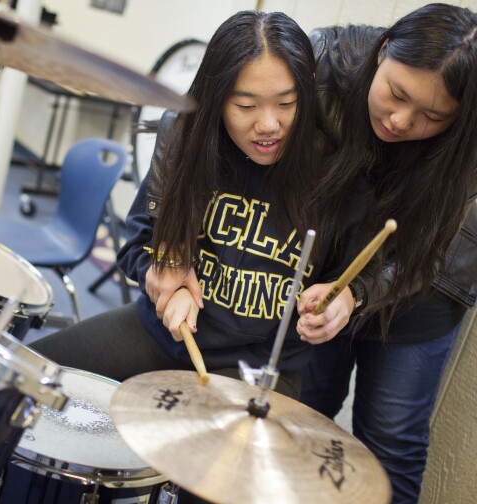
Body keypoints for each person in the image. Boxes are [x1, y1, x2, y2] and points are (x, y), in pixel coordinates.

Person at [31, 10, 356, 402]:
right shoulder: (186, 143)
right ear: (216, 101)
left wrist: (343, 299)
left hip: (250, 367)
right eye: (246, 106)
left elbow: (351, 278)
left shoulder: (332, 172)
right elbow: (138, 244)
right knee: (26, 376)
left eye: (286, 103)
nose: (269, 124)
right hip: (158, 334)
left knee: (192, 457)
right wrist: (166, 271)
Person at [295, 4, 477, 504]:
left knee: (391, 446)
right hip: (328, 268)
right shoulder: (325, 60)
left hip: (423, 285)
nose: (400, 120)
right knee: (302, 413)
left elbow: (439, 253)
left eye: (433, 117)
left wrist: (357, 294)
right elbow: (194, 122)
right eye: (397, 93)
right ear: (382, 51)